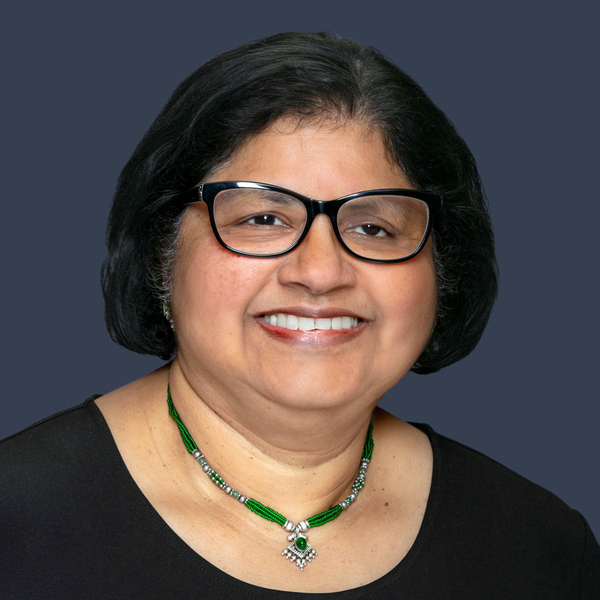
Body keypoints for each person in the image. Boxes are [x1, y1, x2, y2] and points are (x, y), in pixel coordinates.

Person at [1, 31, 598, 598]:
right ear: (161, 251)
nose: (320, 272)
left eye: (373, 228)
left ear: (444, 272)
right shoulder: (17, 521)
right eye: (262, 219)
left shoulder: (542, 548)